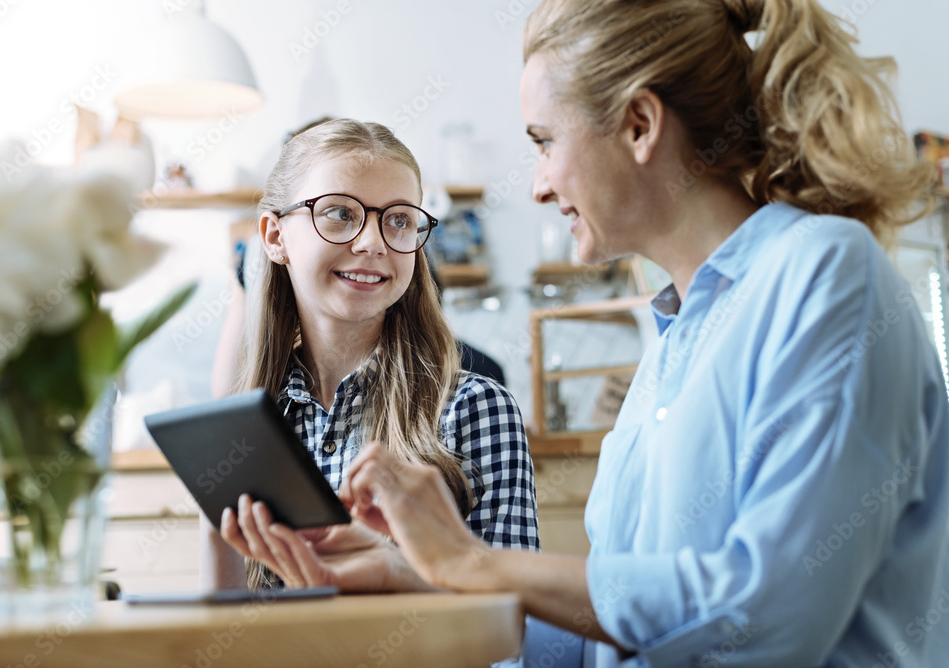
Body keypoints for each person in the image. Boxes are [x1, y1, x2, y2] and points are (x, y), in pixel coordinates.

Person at [247, 1, 949, 666]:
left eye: (544, 142)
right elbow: (603, 647)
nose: (539, 186)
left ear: (640, 124)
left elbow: (768, 623)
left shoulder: (826, 275)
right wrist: (420, 577)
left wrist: (473, 562)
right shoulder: (670, 349)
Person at [201, 119, 539, 592]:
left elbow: (512, 633)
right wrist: (216, 527)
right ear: (275, 237)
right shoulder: (246, 432)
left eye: (399, 219)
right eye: (339, 213)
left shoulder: (478, 410)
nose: (373, 243)